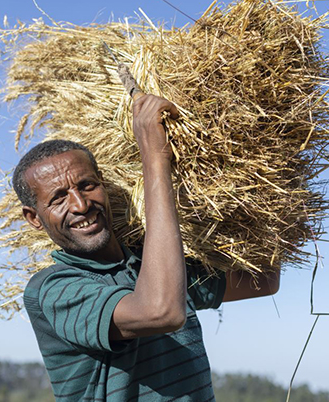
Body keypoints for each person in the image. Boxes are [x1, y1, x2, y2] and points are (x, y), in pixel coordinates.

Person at [15, 94, 280, 401]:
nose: (81, 204)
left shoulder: (154, 266)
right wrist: (155, 157)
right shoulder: (54, 290)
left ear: (102, 183)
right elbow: (161, 312)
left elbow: (263, 281)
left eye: (88, 185)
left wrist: (267, 187)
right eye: (59, 198)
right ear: (34, 218)